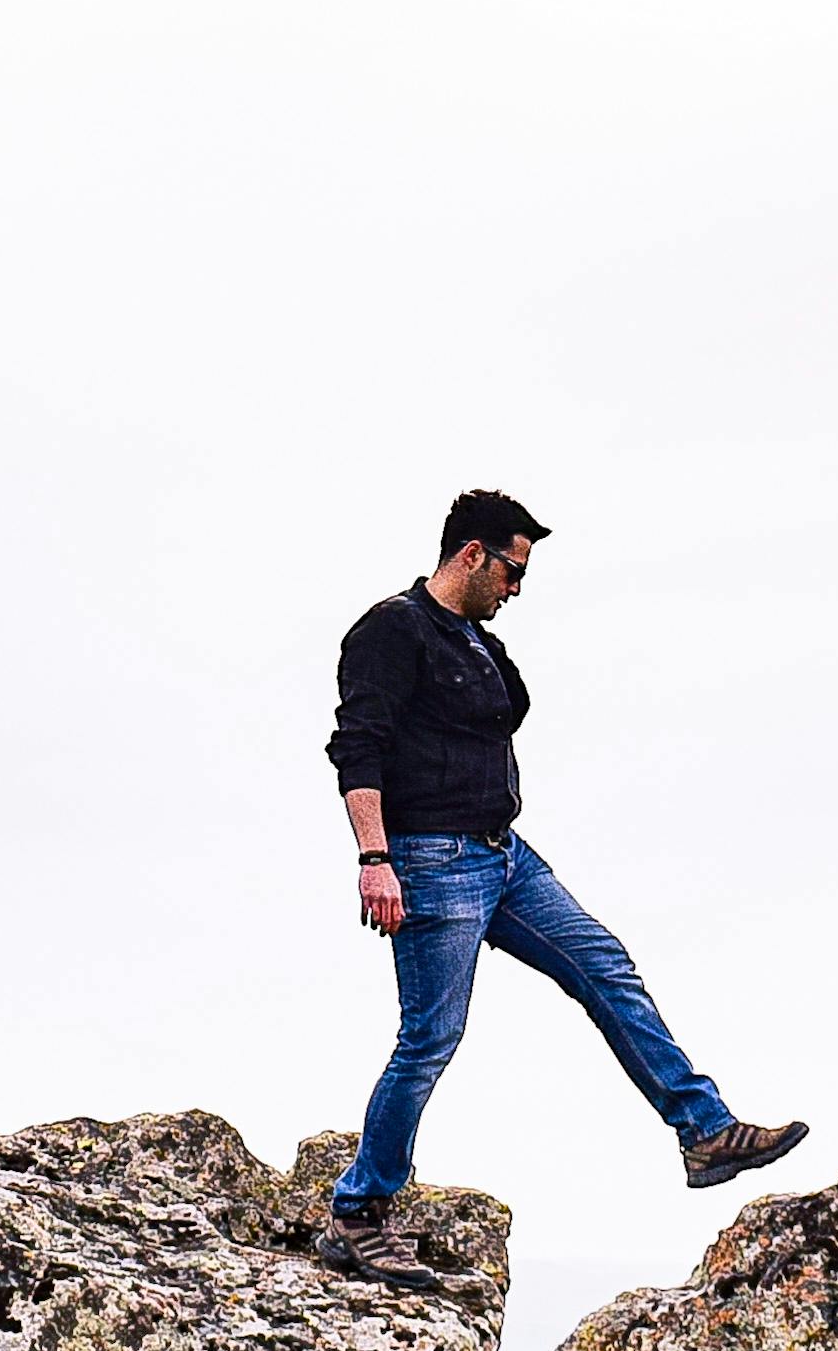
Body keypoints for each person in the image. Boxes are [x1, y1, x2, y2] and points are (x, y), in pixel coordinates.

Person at [318, 488, 803, 1277]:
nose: (517, 587)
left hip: (505, 857)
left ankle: (704, 1131)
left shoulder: (478, 641)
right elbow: (357, 749)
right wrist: (375, 862)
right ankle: (357, 1211)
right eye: (511, 569)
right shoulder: (390, 631)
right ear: (471, 554)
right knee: (429, 1039)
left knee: (604, 965)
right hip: (431, 863)